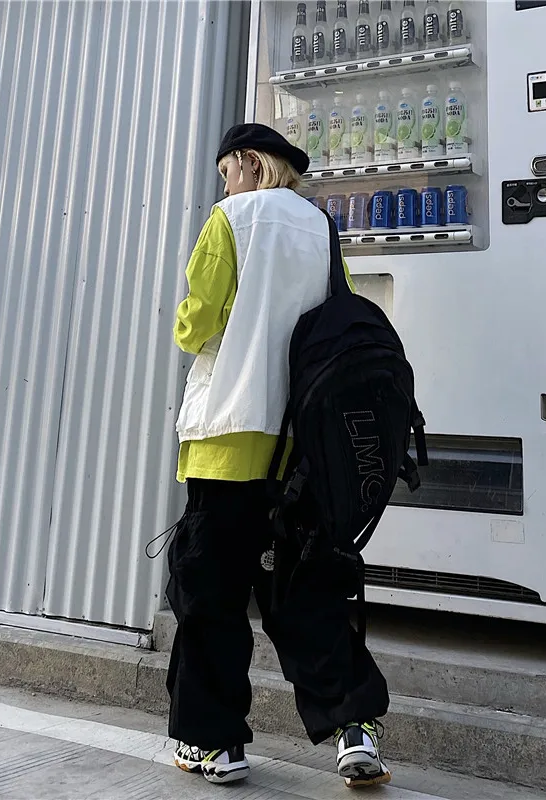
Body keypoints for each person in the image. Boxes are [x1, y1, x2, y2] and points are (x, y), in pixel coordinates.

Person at [166, 123, 390, 788]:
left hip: (230, 441)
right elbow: (338, 317)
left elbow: (195, 325)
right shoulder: (321, 228)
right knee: (306, 594)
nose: (224, 185)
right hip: (303, 446)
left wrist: (193, 318)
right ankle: (354, 729)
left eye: (226, 172)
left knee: (210, 596)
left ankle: (213, 745)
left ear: (248, 163)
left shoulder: (230, 219)